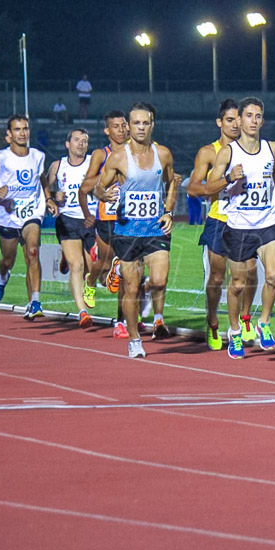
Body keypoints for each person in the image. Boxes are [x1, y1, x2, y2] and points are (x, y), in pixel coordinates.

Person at [94, 102, 178, 358]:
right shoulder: (119, 157)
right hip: (127, 231)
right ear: (129, 127)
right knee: (131, 289)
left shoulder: (163, 154)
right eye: (136, 123)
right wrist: (104, 194)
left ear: (152, 125)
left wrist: (168, 211)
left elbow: (171, 182)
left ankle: (121, 270)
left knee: (160, 280)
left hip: (155, 229)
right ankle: (134, 339)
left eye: (146, 123)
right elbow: (98, 187)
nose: (141, 127)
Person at [206, 97, 275, 359]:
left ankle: (264, 323)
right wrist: (229, 178)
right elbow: (209, 187)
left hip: (268, 221)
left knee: (272, 275)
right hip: (238, 225)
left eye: (258, 116)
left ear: (263, 120)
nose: (253, 121)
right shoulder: (228, 152)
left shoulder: (272, 148)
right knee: (237, 284)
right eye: (248, 116)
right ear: (239, 120)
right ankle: (235, 332)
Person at [186, 99, 258, 351]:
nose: (236, 124)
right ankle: (213, 321)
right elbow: (195, 188)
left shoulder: (254, 148)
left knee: (250, 271)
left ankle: (245, 319)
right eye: (230, 120)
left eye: (239, 119)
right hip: (220, 220)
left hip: (248, 220)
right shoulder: (209, 152)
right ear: (219, 122)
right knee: (217, 277)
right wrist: (218, 184)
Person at [0, 115, 49, 319]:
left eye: (25, 128)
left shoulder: (37, 156)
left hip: (31, 213)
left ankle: (34, 302)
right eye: (17, 129)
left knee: (33, 252)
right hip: (8, 216)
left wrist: (49, 198)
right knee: (8, 260)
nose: (22, 133)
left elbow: (41, 179)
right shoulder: (1, 158)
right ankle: (1, 276)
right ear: (9, 135)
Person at [79, 111, 130, 332]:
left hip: (130, 218)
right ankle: (90, 282)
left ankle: (121, 322)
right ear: (107, 130)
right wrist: (109, 176)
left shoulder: (135, 152)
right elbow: (86, 183)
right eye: (116, 126)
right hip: (107, 216)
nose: (121, 130)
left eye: (123, 125)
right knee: (105, 263)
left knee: (128, 272)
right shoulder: (101, 154)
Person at [45, 128, 97, 328]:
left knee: (94, 269)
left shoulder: (95, 162)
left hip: (91, 220)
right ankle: (82, 311)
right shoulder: (58, 166)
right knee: (77, 266)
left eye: (84, 140)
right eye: (77, 140)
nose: (81, 144)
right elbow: (46, 188)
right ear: (68, 144)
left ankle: (68, 257)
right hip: (68, 220)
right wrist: (53, 196)